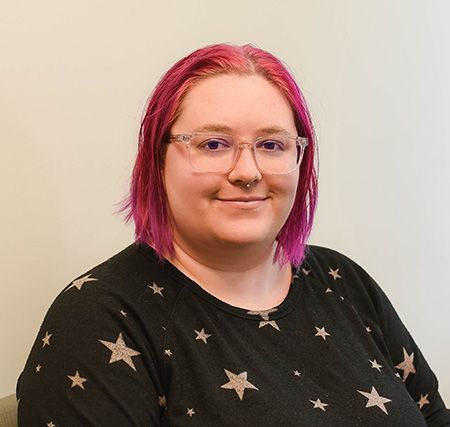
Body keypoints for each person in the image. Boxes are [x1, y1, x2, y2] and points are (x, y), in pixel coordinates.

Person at [16, 43, 449, 426]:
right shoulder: (100, 320)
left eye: (272, 145)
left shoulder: (343, 281)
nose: (247, 172)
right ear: (157, 161)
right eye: (213, 144)